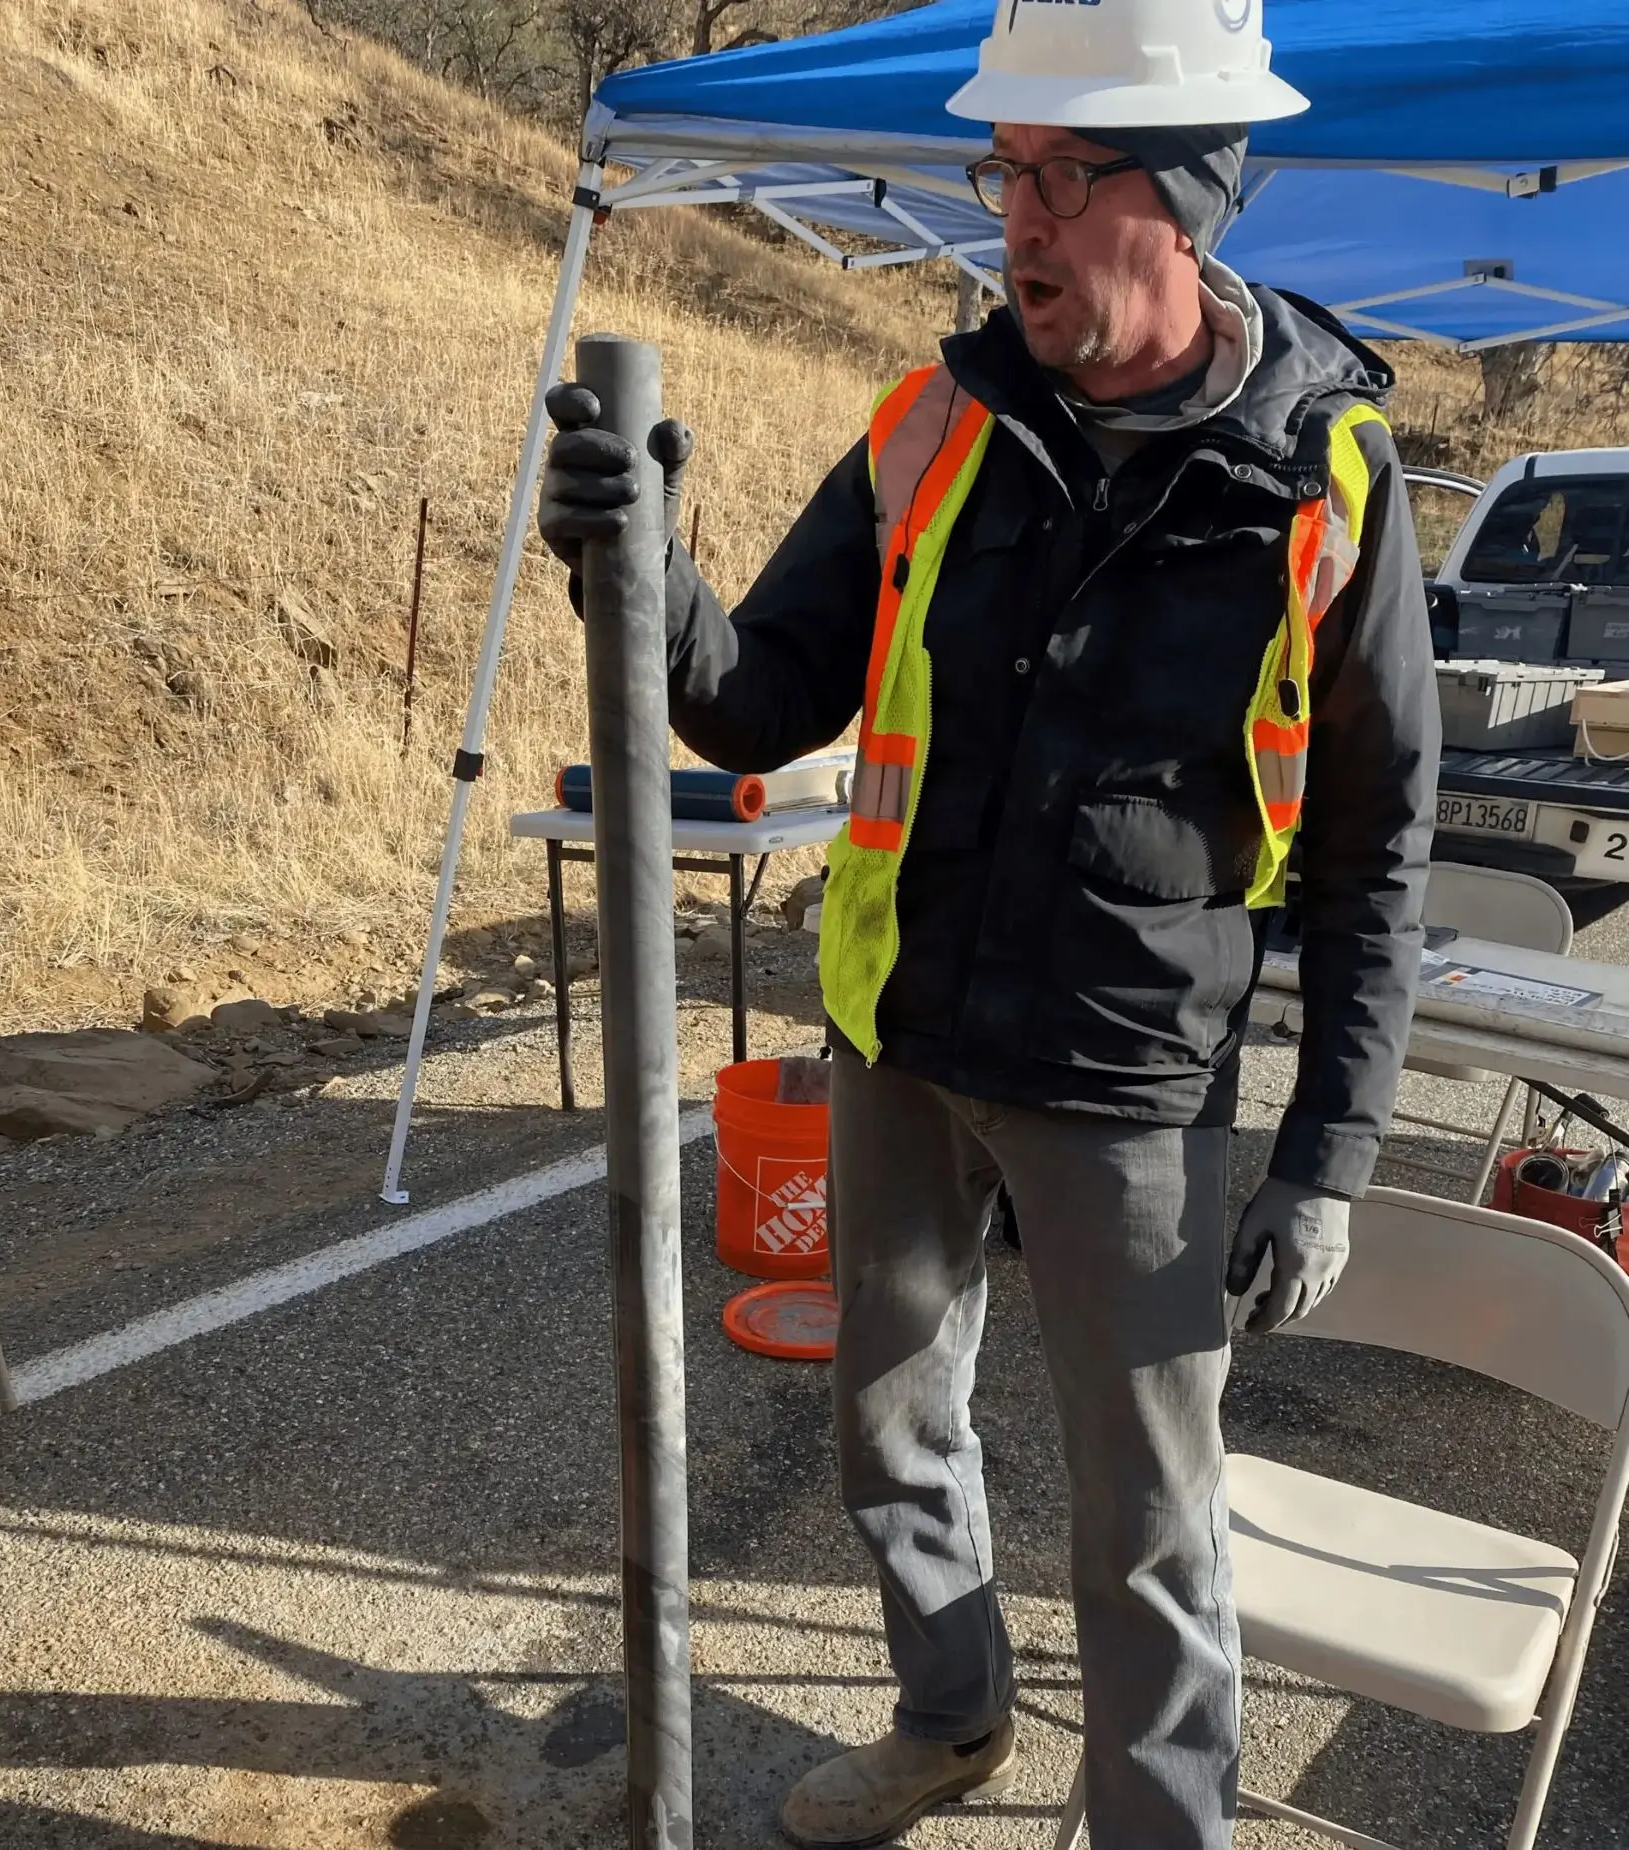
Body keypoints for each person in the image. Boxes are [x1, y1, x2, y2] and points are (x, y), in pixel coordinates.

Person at [537, 1, 1438, 1842]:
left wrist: (1328, 1155)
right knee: (889, 1429)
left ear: (1184, 198)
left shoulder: (1324, 482)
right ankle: (951, 1717)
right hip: (907, 1029)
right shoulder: (934, 422)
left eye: (1060, 175)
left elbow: (1376, 846)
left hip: (1133, 1079)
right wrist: (641, 566)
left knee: (1150, 1528)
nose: (1012, 219)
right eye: (1001, 171)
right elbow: (755, 696)